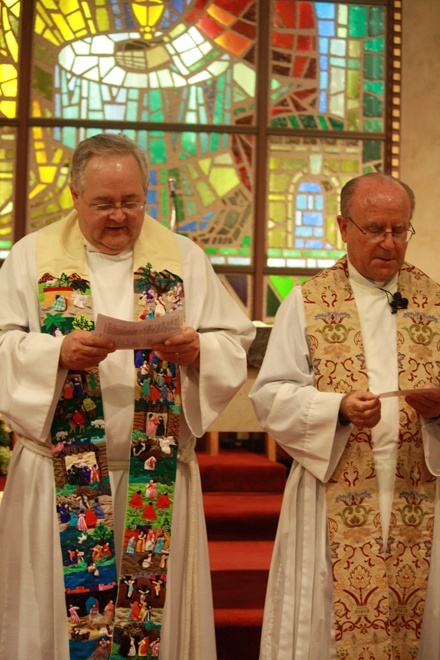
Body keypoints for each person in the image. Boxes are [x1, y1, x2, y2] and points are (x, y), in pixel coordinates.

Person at [0, 132, 256, 660]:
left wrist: (197, 351)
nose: (119, 217)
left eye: (131, 202)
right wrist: (55, 354)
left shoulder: (181, 257)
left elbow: (234, 341)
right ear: (74, 197)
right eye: (103, 204)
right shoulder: (33, 257)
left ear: (146, 195)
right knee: (59, 621)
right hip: (59, 479)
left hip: (154, 473)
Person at [249, 172, 440, 659]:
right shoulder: (307, 302)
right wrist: (336, 408)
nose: (389, 243)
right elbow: (270, 395)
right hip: (333, 492)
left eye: (400, 230)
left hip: (420, 490)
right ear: (343, 225)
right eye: (375, 229)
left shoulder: (435, 302)